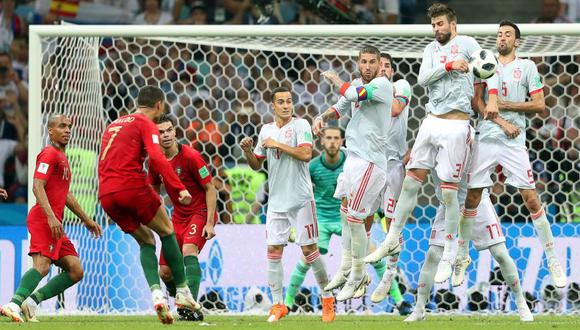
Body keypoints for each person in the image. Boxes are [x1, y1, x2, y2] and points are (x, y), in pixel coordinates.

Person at [367, 3, 499, 284]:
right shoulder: (430, 50)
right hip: (431, 121)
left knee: (449, 194)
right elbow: (422, 79)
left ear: (453, 24)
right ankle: (391, 238)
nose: (437, 29)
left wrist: (491, 96)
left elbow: (489, 66)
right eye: (434, 25)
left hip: (456, 124)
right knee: (412, 181)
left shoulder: (467, 43)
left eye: (441, 24)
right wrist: (448, 66)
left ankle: (452, 252)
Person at [455, 20, 566, 289]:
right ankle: (460, 256)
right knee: (472, 196)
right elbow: (477, 102)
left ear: (517, 41)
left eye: (508, 35)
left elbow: (539, 104)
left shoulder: (527, 67)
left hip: (515, 143)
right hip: (487, 138)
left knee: (530, 198)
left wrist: (505, 105)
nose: (502, 38)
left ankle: (553, 259)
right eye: (499, 34)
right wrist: (501, 120)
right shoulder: (485, 62)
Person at [98, 85, 199, 324]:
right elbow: (156, 157)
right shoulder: (145, 123)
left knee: (146, 240)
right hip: (131, 187)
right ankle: (183, 292)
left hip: (106, 195)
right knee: (167, 231)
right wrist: (179, 187)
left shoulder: (114, 124)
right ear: (159, 105)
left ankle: (156, 293)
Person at [240, 86, 335, 323]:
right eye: (280, 102)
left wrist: (278, 145)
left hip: (301, 199)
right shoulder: (266, 131)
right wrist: (248, 151)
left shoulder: (301, 125)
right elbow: (256, 165)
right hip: (277, 201)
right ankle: (278, 304)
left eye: (289, 101)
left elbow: (306, 155)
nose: (285, 105)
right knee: (273, 250)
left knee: (309, 251)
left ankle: (327, 298)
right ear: (272, 106)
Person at [0, 115, 102, 323]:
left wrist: (86, 219)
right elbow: (37, 186)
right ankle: (13, 304)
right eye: (62, 126)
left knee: (75, 270)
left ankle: (32, 302)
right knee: (43, 265)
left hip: (55, 222)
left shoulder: (62, 157)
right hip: (44, 219)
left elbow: (66, 195)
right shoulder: (49, 153)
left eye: (69, 127)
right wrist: (51, 216)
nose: (67, 130)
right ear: (51, 131)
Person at [314, 44, 393, 301]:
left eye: (372, 62)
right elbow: (341, 106)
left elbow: (355, 94)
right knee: (346, 213)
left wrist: (337, 79)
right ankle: (346, 266)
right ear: (358, 63)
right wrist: (322, 116)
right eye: (364, 62)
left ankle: (359, 275)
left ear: (380, 64)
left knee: (356, 218)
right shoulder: (358, 83)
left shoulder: (381, 85)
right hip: (354, 158)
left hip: (371, 162)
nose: (368, 66)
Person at [403, 173, 533, 322]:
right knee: (433, 254)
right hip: (447, 206)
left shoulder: (472, 149)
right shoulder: (432, 149)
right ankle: (419, 310)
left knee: (500, 253)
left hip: (478, 203)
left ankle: (521, 304)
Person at [149, 114, 218, 322]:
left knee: (189, 250)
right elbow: (153, 191)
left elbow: (210, 188)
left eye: (169, 130)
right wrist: (159, 215)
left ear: (175, 132)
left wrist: (209, 223)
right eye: (161, 132)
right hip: (178, 217)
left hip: (200, 212)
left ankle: (190, 308)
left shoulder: (191, 156)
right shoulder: (155, 161)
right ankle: (180, 296)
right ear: (155, 136)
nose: (166, 135)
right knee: (165, 272)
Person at [367, 52, 413, 307]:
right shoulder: (368, 90)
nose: (383, 69)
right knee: (359, 219)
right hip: (370, 163)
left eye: (387, 66)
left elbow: (395, 110)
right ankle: (353, 272)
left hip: (394, 165)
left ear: (392, 71)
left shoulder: (401, 86)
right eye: (379, 65)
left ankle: (389, 275)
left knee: (393, 226)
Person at [283, 126, 345, 310]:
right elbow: (299, 192)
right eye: (329, 138)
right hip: (320, 219)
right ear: (322, 141)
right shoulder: (313, 166)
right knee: (307, 258)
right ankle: (287, 303)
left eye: (336, 138)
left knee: (372, 253)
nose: (332, 142)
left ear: (342, 141)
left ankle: (399, 302)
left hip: (345, 217)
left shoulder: (350, 163)